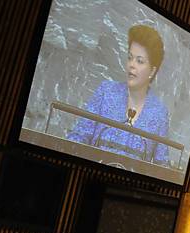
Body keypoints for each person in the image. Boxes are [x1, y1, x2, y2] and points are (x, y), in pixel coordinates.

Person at [66, 24, 170, 165]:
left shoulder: (160, 113)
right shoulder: (106, 91)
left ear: (152, 71)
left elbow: (161, 166)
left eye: (139, 61)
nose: (131, 65)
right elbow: (78, 138)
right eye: (130, 57)